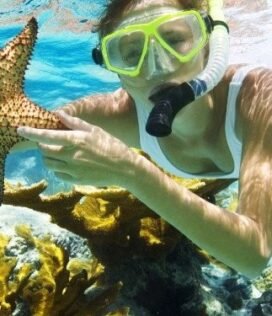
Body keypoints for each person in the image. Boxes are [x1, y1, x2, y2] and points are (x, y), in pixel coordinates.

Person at [16, 0, 272, 278]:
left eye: (174, 39)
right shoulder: (120, 113)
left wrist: (129, 171)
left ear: (209, 45)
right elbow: (15, 131)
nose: (157, 66)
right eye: (130, 53)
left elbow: (253, 255)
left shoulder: (258, 100)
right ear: (114, 71)